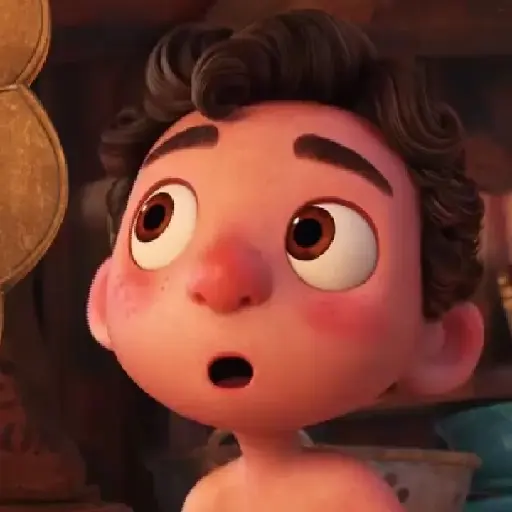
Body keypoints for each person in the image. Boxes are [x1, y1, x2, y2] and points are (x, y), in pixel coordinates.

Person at [87, 9, 484, 511]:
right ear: (102, 301)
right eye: (158, 220)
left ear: (442, 340)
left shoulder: (349, 496)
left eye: (315, 234)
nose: (222, 276)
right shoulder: (211, 496)